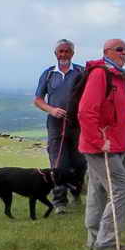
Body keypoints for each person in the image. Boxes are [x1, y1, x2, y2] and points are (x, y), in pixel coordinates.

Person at [78, 38, 125, 250]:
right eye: (119, 49)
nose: (124, 53)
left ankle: (94, 240)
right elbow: (86, 111)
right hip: (102, 145)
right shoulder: (101, 74)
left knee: (98, 191)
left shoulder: (117, 76)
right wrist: (99, 141)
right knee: (122, 189)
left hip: (112, 144)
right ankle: (107, 242)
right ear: (106, 52)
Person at [32, 39, 83, 213]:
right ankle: (60, 202)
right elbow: (38, 100)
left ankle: (76, 194)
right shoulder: (48, 74)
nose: (63, 54)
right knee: (58, 163)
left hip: (78, 124)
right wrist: (52, 110)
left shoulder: (81, 72)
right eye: (60, 51)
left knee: (80, 162)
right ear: (55, 54)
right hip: (55, 125)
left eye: (67, 51)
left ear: (72, 53)